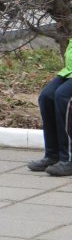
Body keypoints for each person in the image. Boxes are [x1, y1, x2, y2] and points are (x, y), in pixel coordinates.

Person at [27, 37, 72, 176]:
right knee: (47, 97)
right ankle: (53, 155)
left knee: (63, 97)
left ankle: (68, 159)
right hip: (69, 71)